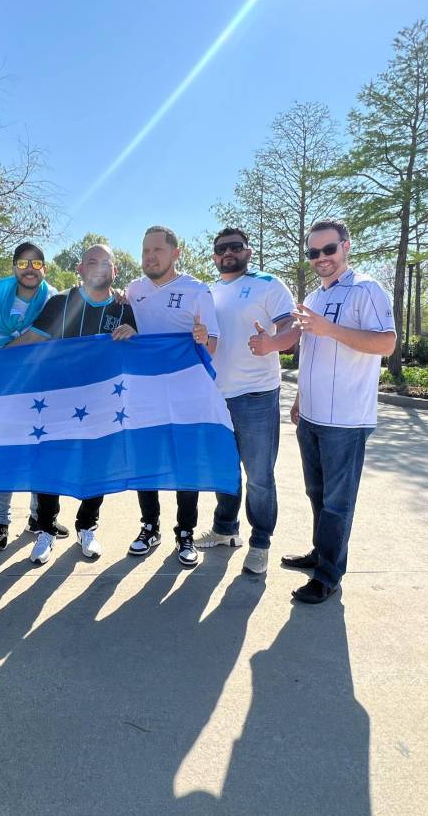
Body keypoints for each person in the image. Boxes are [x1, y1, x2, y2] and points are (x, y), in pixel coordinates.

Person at [284, 219, 396, 603]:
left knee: (338, 502)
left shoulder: (366, 289)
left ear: (346, 246)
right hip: (312, 416)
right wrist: (300, 398)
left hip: (346, 421)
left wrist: (330, 329)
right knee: (317, 493)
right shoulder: (314, 298)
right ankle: (321, 555)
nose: (321, 258)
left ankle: (329, 576)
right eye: (313, 252)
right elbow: (312, 353)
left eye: (328, 249)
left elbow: (386, 344)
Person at [9, 243, 137, 565]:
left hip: (103, 406)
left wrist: (133, 333)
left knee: (98, 465)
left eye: (104, 262)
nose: (97, 267)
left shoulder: (124, 309)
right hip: (58, 401)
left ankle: (87, 527)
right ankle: (46, 530)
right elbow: (30, 341)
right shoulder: (60, 303)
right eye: (90, 261)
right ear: (80, 269)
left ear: (114, 271)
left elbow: (140, 351)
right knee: (51, 462)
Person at [195, 227, 298, 574]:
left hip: (256, 396)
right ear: (214, 256)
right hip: (216, 398)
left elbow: (292, 328)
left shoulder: (269, 283)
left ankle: (260, 542)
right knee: (225, 471)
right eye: (221, 248)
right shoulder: (208, 292)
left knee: (259, 476)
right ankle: (225, 530)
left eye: (235, 247)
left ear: (248, 251)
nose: (228, 253)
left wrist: (273, 343)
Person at [125, 225, 219, 567]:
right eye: (145, 251)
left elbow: (213, 346)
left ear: (175, 253)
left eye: (157, 251)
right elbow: (126, 327)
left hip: (185, 396)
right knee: (146, 460)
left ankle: (185, 533)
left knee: (185, 464)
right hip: (144, 394)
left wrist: (202, 337)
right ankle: (150, 527)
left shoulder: (197, 291)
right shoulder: (133, 290)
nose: (150, 257)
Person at [0, 241, 68, 550]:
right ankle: (1, 522)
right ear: (14, 267)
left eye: (37, 264)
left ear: (45, 268)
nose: (30, 269)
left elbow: (58, 337)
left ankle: (39, 518)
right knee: (6, 455)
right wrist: (8, 348)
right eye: (24, 263)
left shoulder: (54, 299)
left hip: (40, 386)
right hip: (4, 387)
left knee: (39, 452)